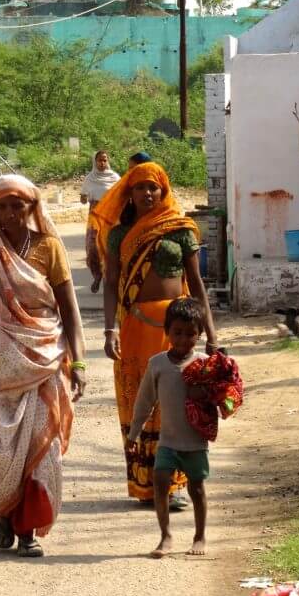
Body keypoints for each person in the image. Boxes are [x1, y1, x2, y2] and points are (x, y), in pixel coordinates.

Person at [0, 174, 87, 558]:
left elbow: (69, 310)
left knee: (39, 450)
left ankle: (27, 529)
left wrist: (78, 362)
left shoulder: (49, 248)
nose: (10, 214)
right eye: (2, 206)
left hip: (44, 360)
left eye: (18, 206)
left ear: (32, 208)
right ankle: (8, 515)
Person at [92, 161, 218, 508]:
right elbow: (112, 284)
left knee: (175, 404)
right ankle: (144, 483)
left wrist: (211, 333)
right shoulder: (120, 234)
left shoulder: (180, 230)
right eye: (140, 188)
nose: (148, 194)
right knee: (139, 403)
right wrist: (109, 328)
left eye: (154, 188)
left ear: (164, 191)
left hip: (177, 332)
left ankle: (174, 485)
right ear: (129, 193)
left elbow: (196, 284)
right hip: (134, 328)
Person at [127, 297, 212, 558]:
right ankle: (165, 536)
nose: (184, 339)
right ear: (167, 332)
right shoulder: (158, 364)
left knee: (196, 489)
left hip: (195, 443)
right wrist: (134, 433)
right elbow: (144, 402)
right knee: (160, 483)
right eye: (177, 332)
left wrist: (206, 392)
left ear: (198, 335)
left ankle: (200, 536)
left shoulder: (205, 364)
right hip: (168, 442)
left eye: (190, 334)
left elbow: (219, 399)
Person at [80, 150, 121, 293]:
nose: (102, 163)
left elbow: (121, 195)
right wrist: (84, 198)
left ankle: (111, 278)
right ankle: (97, 276)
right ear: (95, 161)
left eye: (104, 160)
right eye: (99, 160)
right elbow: (83, 198)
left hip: (111, 217)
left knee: (111, 247)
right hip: (95, 215)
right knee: (93, 248)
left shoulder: (115, 177)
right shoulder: (89, 178)